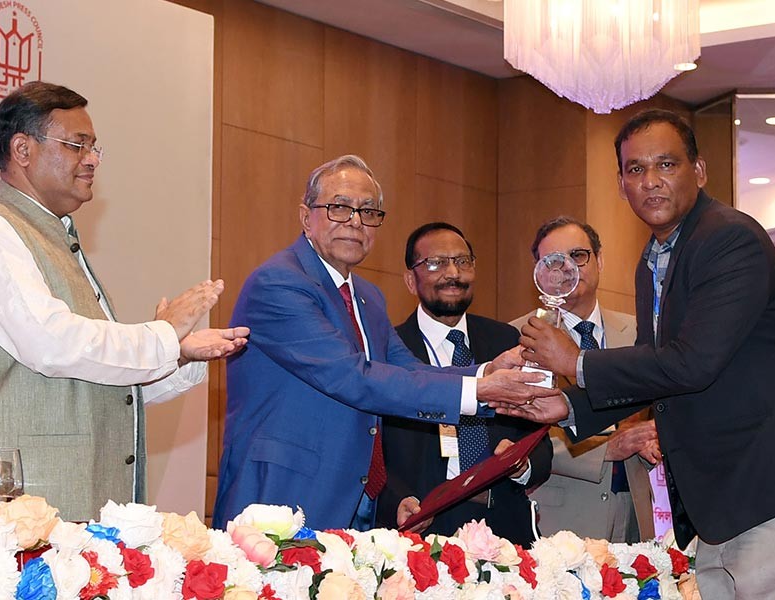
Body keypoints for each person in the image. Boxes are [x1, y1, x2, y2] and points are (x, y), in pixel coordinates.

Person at [505, 109, 775, 599]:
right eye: (635, 170)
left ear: (699, 171)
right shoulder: (653, 261)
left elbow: (694, 361)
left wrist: (575, 363)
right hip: (724, 497)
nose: (651, 182)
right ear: (621, 184)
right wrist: (568, 405)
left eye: (666, 165)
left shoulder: (730, 238)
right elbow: (658, 366)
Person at [0, 81, 249, 521]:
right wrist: (161, 336)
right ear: (22, 150)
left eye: (94, 148)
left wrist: (178, 354)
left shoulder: (55, 235)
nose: (91, 160)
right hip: (16, 520)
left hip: (68, 511)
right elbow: (52, 344)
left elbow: (97, 387)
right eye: (76, 145)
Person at [214, 155, 553, 532]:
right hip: (283, 497)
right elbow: (354, 377)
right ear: (305, 216)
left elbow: (406, 369)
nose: (355, 222)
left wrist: (486, 371)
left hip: (359, 503)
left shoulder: (367, 296)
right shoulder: (279, 283)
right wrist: (479, 391)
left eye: (369, 211)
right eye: (340, 207)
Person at [376, 222, 553, 545]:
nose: (453, 273)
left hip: (505, 528)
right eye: (436, 263)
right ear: (409, 280)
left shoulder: (507, 341)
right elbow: (373, 450)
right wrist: (395, 502)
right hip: (422, 525)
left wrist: (523, 464)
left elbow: (538, 436)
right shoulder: (388, 349)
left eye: (463, 261)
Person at [511, 216, 658, 543]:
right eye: (553, 261)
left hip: (637, 511)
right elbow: (513, 438)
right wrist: (605, 449)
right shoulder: (518, 337)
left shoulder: (640, 332)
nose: (567, 269)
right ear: (537, 272)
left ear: (599, 260)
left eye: (578, 256)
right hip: (558, 516)